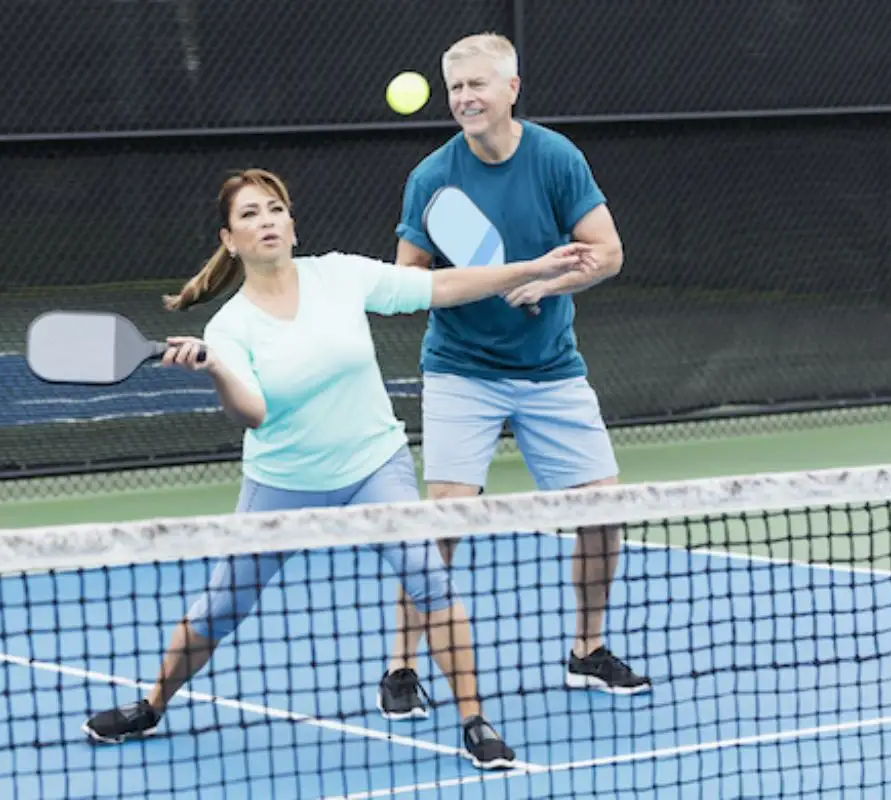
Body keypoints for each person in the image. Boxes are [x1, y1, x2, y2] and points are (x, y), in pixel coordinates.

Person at [80, 167, 595, 770]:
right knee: (223, 606)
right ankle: (152, 705)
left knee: (430, 579)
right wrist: (214, 367)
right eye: (249, 214)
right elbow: (254, 414)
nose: (265, 221)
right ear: (229, 238)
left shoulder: (341, 275)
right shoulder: (230, 327)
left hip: (374, 464)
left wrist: (534, 269)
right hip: (283, 483)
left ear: (292, 225)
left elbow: (443, 286)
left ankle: (474, 720)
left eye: (275, 209)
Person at [376, 32, 652, 722]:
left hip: (552, 368)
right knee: (441, 522)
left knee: (602, 512)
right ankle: (402, 664)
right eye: (456, 89)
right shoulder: (433, 178)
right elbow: (406, 280)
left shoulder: (557, 159)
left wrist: (550, 279)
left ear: (511, 89)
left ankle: (587, 649)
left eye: (478, 85)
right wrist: (478, 282)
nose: (465, 99)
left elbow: (609, 253)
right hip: (462, 370)